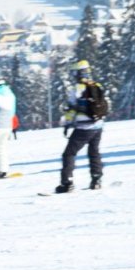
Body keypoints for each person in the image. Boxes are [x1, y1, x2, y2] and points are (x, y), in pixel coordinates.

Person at [55, 60, 108, 193]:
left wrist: (67, 123)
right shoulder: (97, 85)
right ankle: (96, 180)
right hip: (98, 126)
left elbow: (71, 109)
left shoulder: (78, 88)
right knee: (94, 152)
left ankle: (67, 183)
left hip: (84, 127)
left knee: (69, 154)